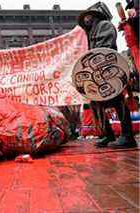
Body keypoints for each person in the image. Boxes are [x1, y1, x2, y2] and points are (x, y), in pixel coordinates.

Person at [78, 2, 137, 148]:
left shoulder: (104, 25)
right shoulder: (91, 31)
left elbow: (105, 48)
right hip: (96, 71)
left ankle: (128, 136)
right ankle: (107, 134)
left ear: (96, 15)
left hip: (108, 69)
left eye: (88, 16)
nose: (86, 19)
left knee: (117, 101)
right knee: (96, 103)